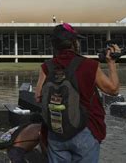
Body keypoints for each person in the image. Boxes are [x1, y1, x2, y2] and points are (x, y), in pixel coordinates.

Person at [34, 23, 120, 163]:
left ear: (54, 45)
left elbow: (38, 96)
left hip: (56, 131)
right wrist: (111, 63)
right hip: (85, 130)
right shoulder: (89, 65)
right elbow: (113, 89)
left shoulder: (46, 67)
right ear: (74, 43)